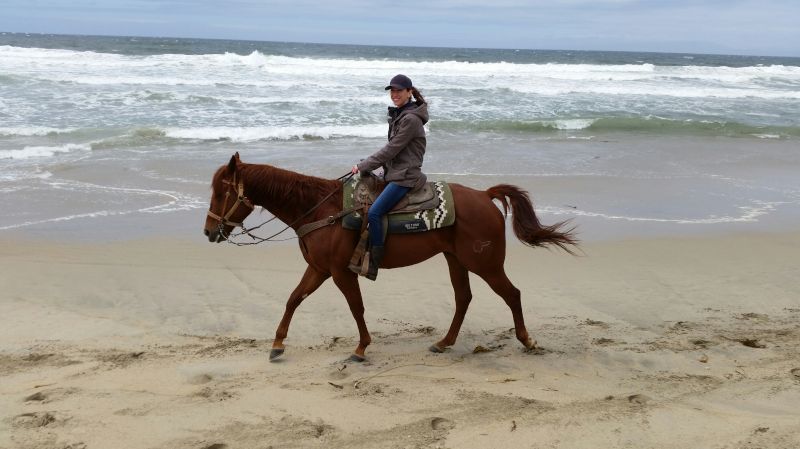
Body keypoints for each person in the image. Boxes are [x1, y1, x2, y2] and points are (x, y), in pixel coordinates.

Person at [350, 74, 429, 280]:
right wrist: (371, 167)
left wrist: (364, 165)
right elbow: (391, 152)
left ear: (409, 92)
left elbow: (391, 149)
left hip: (405, 176)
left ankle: (376, 258)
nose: (394, 95)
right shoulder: (400, 114)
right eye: (392, 91)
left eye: (399, 91)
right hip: (394, 170)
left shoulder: (410, 119)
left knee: (375, 212)